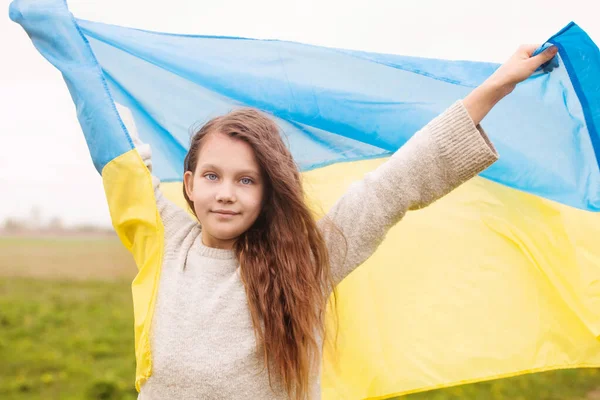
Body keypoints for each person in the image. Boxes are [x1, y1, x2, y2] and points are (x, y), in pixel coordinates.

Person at [116, 44, 558, 399]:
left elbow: (392, 186)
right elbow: (120, 157)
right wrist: (67, 46)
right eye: (213, 176)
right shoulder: (169, 241)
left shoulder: (306, 261)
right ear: (189, 184)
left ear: (269, 192)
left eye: (247, 180)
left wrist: (496, 87)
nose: (227, 192)